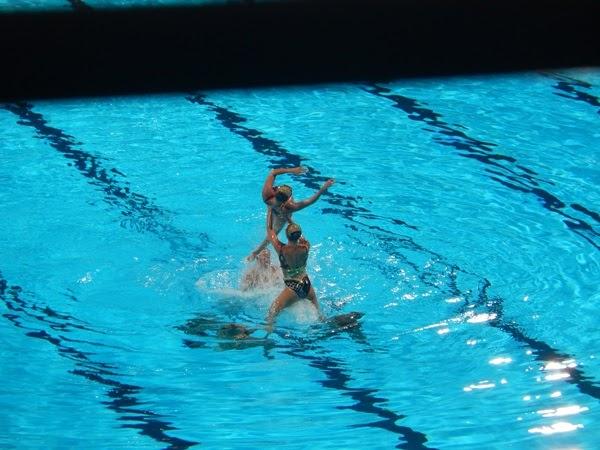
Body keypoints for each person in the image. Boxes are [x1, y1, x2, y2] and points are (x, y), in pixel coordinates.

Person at [247, 167, 334, 261]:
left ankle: (255, 253)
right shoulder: (290, 207)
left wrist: (292, 170)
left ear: (275, 191)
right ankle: (256, 253)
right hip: (282, 213)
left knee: (272, 234)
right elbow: (310, 201)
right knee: (273, 233)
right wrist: (322, 189)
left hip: (275, 208)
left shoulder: (266, 195)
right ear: (287, 199)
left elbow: (273, 172)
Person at [265, 222, 324, 331]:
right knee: (320, 316)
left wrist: (269, 211)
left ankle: (268, 334)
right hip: (307, 284)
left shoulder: (281, 249)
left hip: (293, 287)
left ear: (287, 236)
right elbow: (300, 236)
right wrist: (290, 220)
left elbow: (270, 231)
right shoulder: (306, 246)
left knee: (271, 313)